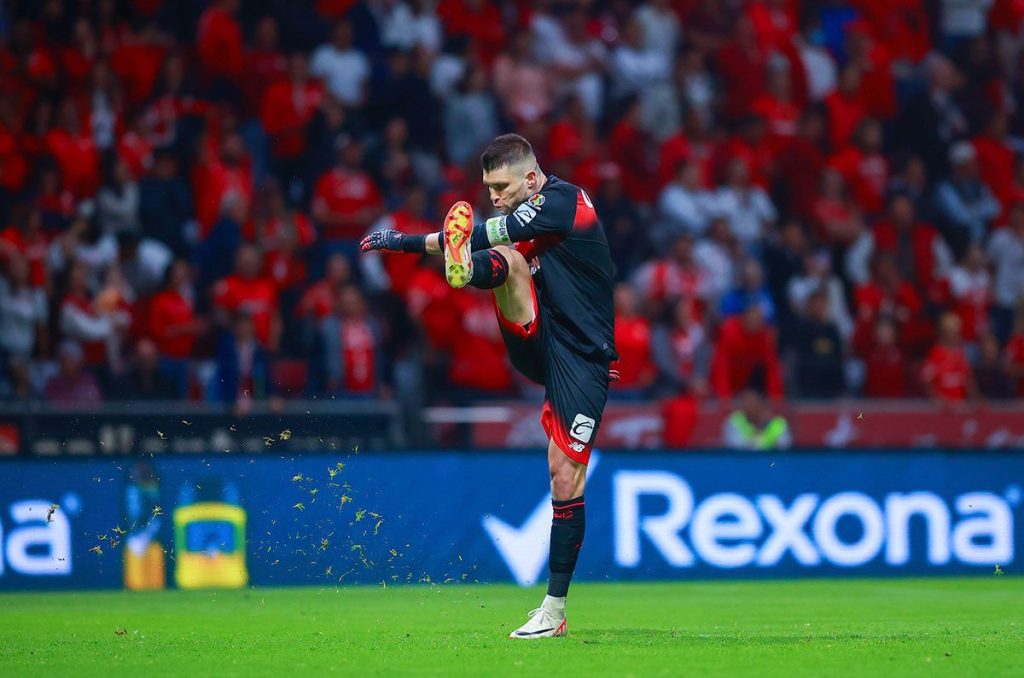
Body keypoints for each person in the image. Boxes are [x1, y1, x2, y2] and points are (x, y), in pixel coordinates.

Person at [361, 134, 616, 639]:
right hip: (538, 336)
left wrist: (424, 243)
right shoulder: (523, 211)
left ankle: (554, 610)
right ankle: (465, 274)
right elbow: (478, 233)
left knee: (564, 477)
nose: (494, 195)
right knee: (511, 259)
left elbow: (481, 230)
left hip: (583, 360)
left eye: (501, 186)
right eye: (488, 188)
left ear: (529, 177)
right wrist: (404, 242)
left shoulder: (565, 201)